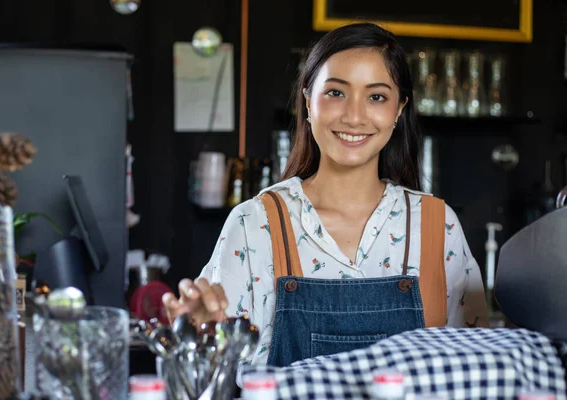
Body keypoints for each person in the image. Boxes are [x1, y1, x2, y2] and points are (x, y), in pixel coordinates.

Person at [163, 22, 489, 368]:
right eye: (336, 92)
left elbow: (476, 369)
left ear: (399, 109)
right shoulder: (255, 223)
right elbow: (211, 377)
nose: (353, 115)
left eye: (376, 96)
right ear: (307, 101)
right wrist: (198, 338)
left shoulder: (438, 225)